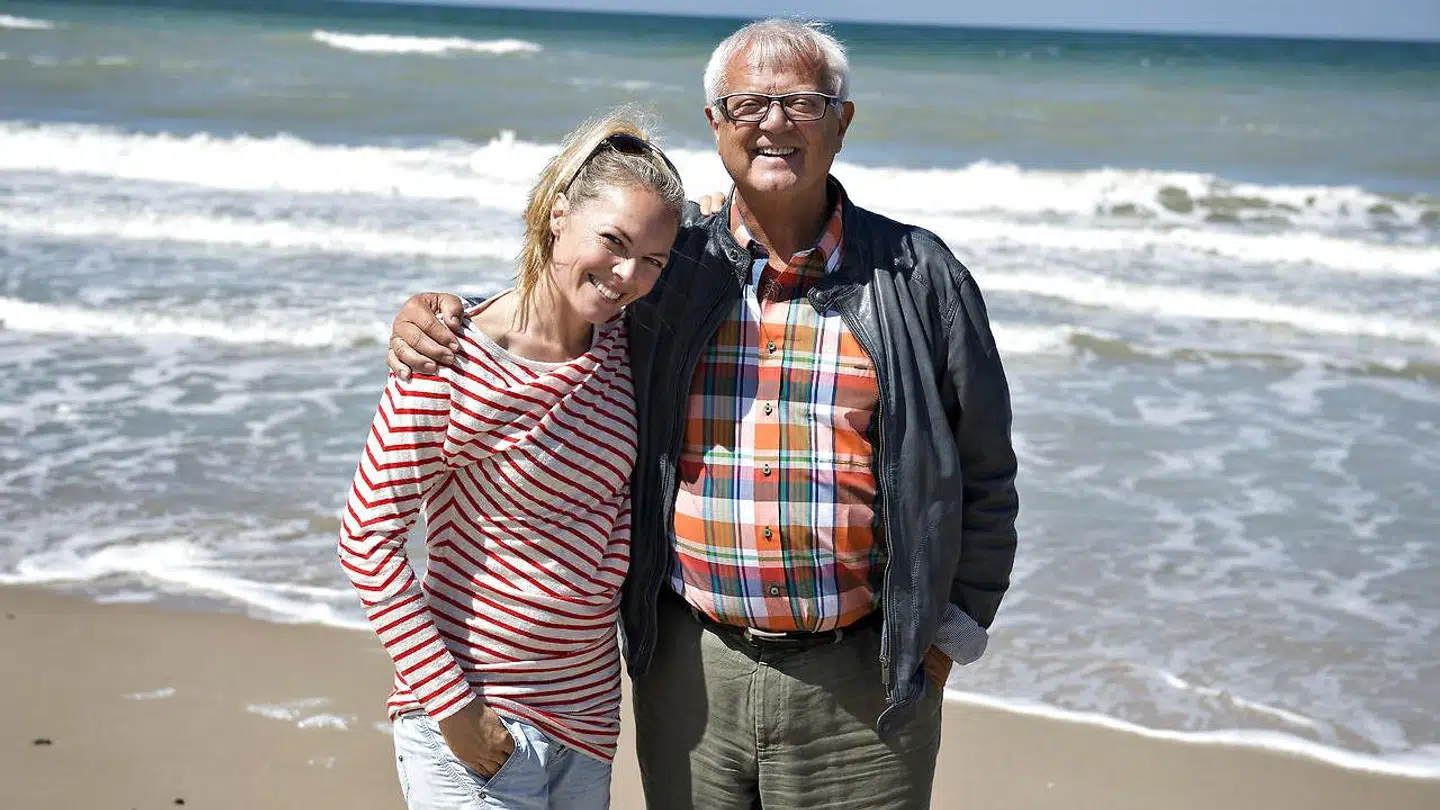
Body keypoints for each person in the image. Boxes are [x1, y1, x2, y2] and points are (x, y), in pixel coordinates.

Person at [386, 18, 1019, 810]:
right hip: (690, 674)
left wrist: (948, 637)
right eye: (748, 103)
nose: (776, 124)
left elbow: (986, 470)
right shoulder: (669, 268)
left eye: (803, 102)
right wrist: (438, 313)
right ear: (716, 124)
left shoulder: (919, 276)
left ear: (843, 122)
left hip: (863, 685)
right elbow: (561, 303)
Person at [339, 109, 685, 810]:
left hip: (587, 721)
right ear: (559, 215)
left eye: (653, 260)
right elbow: (366, 540)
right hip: (476, 715)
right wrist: (453, 708)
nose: (626, 276)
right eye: (612, 242)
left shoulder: (622, 343)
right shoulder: (450, 356)